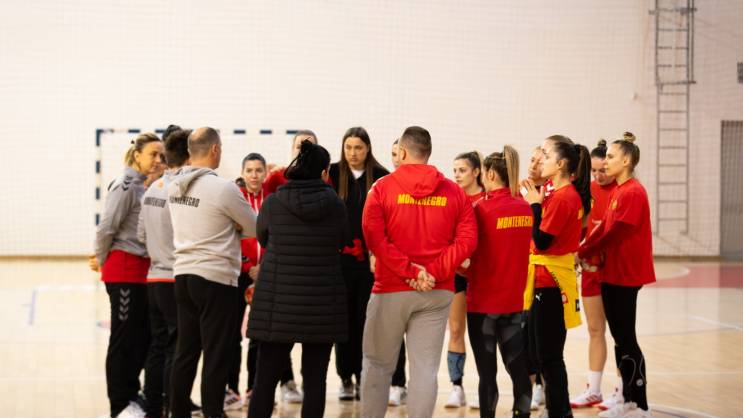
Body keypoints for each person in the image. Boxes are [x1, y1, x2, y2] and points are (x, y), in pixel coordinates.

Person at [360, 126, 478, 418]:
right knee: (425, 370)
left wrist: (410, 271)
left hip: (391, 289)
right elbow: (468, 241)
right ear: (428, 152)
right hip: (437, 291)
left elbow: (374, 238)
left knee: (377, 365)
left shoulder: (381, 188)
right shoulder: (455, 192)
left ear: (401, 152)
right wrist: (433, 272)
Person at [247, 140, 349, 418]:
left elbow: (263, 238)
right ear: (324, 172)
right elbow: (343, 241)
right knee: (315, 381)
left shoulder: (273, 202)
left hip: (277, 304)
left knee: (265, 380)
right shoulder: (336, 205)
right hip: (321, 305)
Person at [167, 127, 257, 418]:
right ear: (215, 150)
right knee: (216, 356)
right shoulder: (223, 188)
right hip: (215, 278)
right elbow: (255, 227)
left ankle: (178, 412)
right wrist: (233, 225)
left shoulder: (173, 186)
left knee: (185, 353)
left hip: (183, 276)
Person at [579, 134, 655, 418]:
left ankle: (640, 404)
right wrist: (584, 250)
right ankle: (627, 400)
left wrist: (584, 251)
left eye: (610, 157)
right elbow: (601, 229)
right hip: (611, 274)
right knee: (620, 339)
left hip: (625, 275)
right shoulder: (619, 191)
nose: (605, 162)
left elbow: (614, 233)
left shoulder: (633, 192)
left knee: (627, 340)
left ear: (626, 160)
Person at [91, 132, 163, 418]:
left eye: (161, 155)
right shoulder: (124, 186)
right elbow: (106, 228)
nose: (158, 160)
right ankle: (119, 404)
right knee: (123, 340)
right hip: (123, 271)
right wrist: (100, 260)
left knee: (140, 338)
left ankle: (132, 394)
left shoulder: (142, 187)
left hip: (141, 272)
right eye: (153, 154)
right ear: (137, 155)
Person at [224, 153, 302, 410]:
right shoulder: (235, 199)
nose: (254, 175)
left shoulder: (273, 200)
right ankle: (231, 389)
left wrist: (264, 267)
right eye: (249, 170)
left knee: (259, 336)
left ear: (265, 174)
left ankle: (253, 388)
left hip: (267, 276)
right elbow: (230, 238)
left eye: (259, 170)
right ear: (242, 173)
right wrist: (248, 266)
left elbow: (279, 237)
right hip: (239, 274)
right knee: (232, 335)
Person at [523, 135, 591, 418]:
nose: (542, 159)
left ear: (562, 164)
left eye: (547, 155)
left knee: (549, 357)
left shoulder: (564, 197)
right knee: (541, 354)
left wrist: (534, 205)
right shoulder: (556, 191)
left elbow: (542, 242)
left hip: (551, 282)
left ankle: (560, 412)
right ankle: (557, 410)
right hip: (542, 279)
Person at [137, 128, 203, 418]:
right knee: (178, 349)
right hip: (175, 278)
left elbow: (141, 235)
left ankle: (154, 408)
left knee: (158, 346)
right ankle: (173, 405)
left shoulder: (152, 188)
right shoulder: (181, 192)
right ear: (189, 157)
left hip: (153, 277)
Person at [464, 146, 533, 418]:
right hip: (513, 303)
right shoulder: (525, 208)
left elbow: (468, 256)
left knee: (487, 374)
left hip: (483, 305)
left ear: (491, 174)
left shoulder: (480, 209)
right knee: (518, 369)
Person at [328, 127, 389, 401]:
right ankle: (345, 378)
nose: (353, 153)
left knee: (367, 322)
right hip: (339, 264)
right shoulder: (331, 173)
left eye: (358, 148)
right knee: (342, 322)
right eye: (348, 147)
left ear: (368, 149)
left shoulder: (381, 176)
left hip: (370, 264)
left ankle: (365, 376)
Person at [570, 139, 618, 409]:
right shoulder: (587, 192)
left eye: (603, 170)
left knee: (621, 334)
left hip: (614, 272)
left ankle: (622, 390)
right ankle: (594, 389)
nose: (599, 176)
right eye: (595, 171)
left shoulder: (622, 192)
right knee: (595, 329)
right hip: (589, 270)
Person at [445, 151, 485, 408]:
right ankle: (456, 388)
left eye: (463, 170)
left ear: (477, 172)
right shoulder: (453, 199)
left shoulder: (487, 199)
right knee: (456, 329)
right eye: (455, 170)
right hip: (458, 274)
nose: (457, 175)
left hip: (483, 275)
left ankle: (485, 385)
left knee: (482, 335)